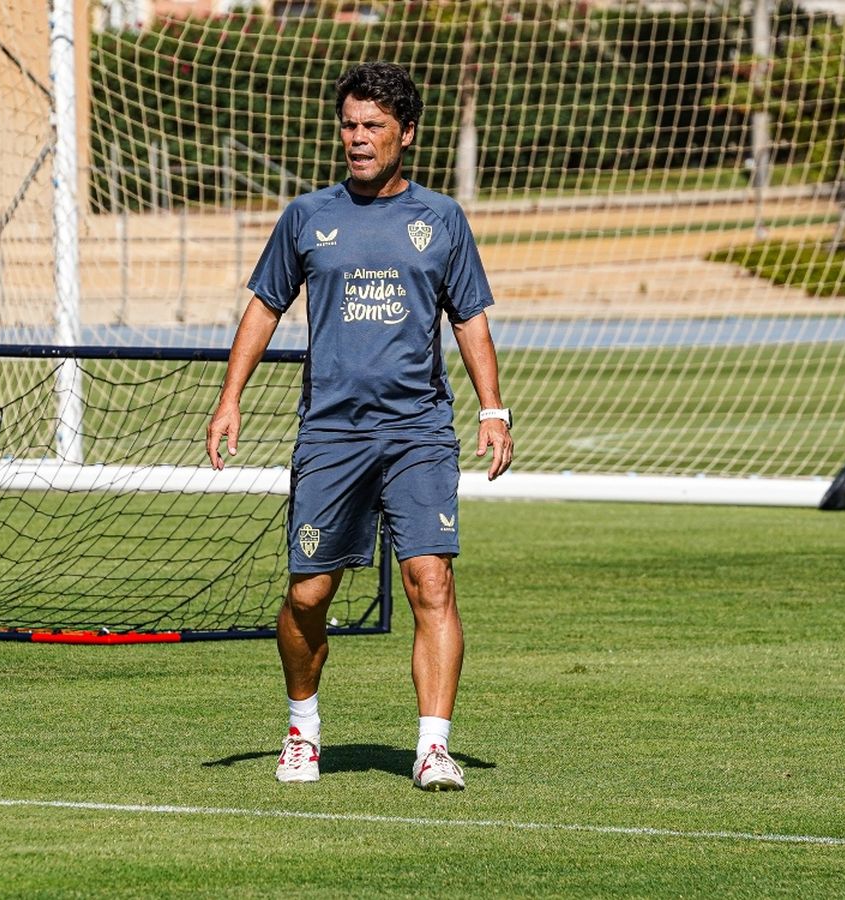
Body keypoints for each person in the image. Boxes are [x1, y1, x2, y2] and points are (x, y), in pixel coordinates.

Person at [205, 61, 512, 792]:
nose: (358, 138)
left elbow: (469, 317)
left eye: (374, 125)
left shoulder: (441, 219)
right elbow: (264, 305)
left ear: (406, 133)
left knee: (430, 582)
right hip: (331, 434)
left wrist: (493, 409)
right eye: (349, 124)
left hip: (418, 431)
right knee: (310, 594)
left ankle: (434, 747)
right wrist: (230, 397)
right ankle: (302, 730)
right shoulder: (308, 216)